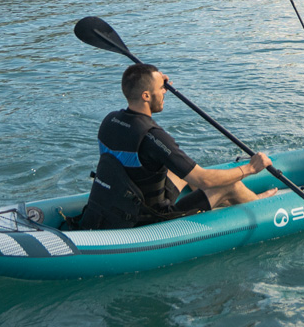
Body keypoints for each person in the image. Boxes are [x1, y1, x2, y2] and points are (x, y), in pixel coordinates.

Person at [80, 63, 276, 229]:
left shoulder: (110, 121)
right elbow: (203, 180)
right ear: (146, 96)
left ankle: (223, 202)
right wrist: (250, 168)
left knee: (181, 170)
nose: (165, 91)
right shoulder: (153, 137)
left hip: (120, 201)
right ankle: (259, 205)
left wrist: (155, 80)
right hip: (148, 219)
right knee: (229, 184)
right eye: (161, 88)